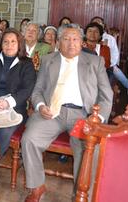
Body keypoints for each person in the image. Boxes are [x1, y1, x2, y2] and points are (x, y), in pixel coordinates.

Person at [21, 23, 113, 202]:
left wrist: (97, 118)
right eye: (67, 39)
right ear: (58, 42)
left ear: (82, 42)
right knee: (29, 139)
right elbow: (37, 90)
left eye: (76, 39)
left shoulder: (95, 62)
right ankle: (37, 187)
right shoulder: (49, 60)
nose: (72, 43)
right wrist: (40, 106)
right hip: (52, 112)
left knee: (88, 149)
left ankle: (81, 194)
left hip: (83, 115)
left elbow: (106, 95)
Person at [0, 28, 36, 197]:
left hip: (14, 109)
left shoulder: (27, 63)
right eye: (5, 41)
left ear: (19, 45)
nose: (9, 45)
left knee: (2, 132)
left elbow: (27, 89)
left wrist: (7, 102)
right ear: (0, 43)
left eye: (13, 42)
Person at [89, 16, 128, 90]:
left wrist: (109, 64)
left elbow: (115, 54)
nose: (97, 25)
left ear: (103, 25)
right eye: (94, 23)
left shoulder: (110, 38)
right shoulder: (87, 37)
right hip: (92, 66)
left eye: (99, 23)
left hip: (108, 65)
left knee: (115, 70)